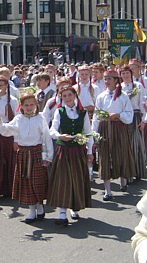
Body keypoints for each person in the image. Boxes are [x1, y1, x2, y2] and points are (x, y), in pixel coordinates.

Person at [0, 93, 53, 223]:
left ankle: (40, 206)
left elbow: (46, 137)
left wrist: (48, 156)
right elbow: (6, 130)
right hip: (23, 153)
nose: (29, 107)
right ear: (21, 106)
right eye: (26, 105)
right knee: (26, 182)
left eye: (32, 105)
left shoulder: (40, 118)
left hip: (37, 153)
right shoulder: (19, 119)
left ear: (36, 105)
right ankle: (31, 210)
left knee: (38, 182)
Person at [48, 85, 93, 225]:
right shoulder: (59, 111)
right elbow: (52, 130)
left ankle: (75, 206)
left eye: (70, 95)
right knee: (63, 180)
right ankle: (62, 213)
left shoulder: (83, 112)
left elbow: (88, 133)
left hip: (78, 150)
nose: (67, 98)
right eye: (64, 96)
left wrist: (90, 152)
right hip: (64, 150)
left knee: (77, 178)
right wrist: (60, 135)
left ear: (75, 96)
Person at [92, 70, 134, 200]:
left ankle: (123, 179)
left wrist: (119, 115)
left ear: (116, 80)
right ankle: (107, 190)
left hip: (119, 127)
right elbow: (96, 115)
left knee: (120, 153)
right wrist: (94, 133)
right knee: (104, 156)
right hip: (105, 128)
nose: (106, 81)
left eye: (109, 78)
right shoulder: (101, 96)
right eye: (105, 79)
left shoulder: (123, 96)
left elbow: (129, 114)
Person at [120, 65, 147, 180]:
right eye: (123, 73)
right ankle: (128, 173)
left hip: (136, 117)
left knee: (137, 145)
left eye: (127, 73)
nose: (125, 76)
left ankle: (138, 171)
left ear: (131, 74)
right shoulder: (119, 88)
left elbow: (143, 104)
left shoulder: (138, 86)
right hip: (124, 117)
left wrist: (144, 121)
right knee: (126, 146)